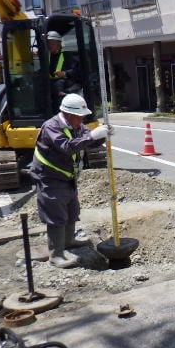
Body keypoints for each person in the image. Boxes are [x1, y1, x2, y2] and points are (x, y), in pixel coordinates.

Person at [29, 93, 112, 268]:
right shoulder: (51, 127)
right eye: (79, 116)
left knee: (71, 210)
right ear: (68, 114)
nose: (82, 120)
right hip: (50, 178)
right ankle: (56, 255)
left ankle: (68, 241)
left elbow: (87, 142)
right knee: (56, 215)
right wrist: (91, 136)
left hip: (67, 177)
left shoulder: (77, 125)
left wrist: (102, 136)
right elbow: (67, 147)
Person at [47, 31, 80, 106]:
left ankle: (61, 106)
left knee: (59, 83)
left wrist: (64, 73)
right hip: (49, 83)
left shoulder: (67, 55)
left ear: (59, 43)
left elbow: (75, 70)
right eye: (48, 43)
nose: (50, 45)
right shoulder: (46, 56)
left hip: (64, 82)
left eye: (52, 43)